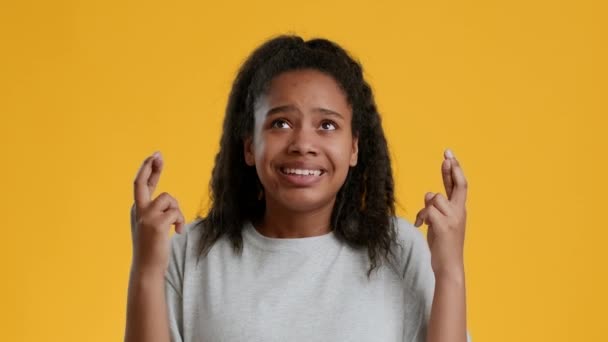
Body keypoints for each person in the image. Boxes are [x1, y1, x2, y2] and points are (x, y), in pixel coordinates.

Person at [124, 34, 471, 342]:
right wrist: (146, 270)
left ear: (354, 148)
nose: (303, 143)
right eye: (281, 122)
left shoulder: (399, 250)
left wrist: (450, 269)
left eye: (327, 125)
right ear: (248, 146)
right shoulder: (192, 253)